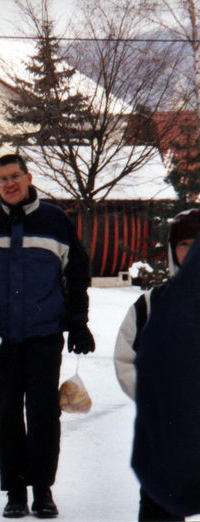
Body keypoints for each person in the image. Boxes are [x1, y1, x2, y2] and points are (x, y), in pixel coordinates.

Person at [0, 153, 93, 519]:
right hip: (1, 337)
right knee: (6, 414)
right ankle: (16, 492)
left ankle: (42, 490)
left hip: (44, 335)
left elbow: (76, 273)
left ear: (28, 177)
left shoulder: (55, 220)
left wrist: (78, 322)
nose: (9, 184)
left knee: (43, 413)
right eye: (2, 179)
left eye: (15, 176)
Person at [116, 208, 200, 521]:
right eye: (184, 243)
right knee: (160, 504)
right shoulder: (151, 303)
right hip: (169, 428)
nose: (191, 251)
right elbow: (126, 357)